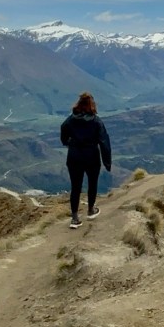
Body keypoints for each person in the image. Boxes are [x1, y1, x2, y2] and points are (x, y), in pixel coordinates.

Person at [60, 92, 112, 228]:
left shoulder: (71, 119)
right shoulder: (96, 121)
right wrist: (107, 162)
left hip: (74, 156)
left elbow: (63, 130)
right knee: (92, 183)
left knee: (75, 187)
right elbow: (104, 142)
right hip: (91, 155)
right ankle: (90, 210)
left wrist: (67, 142)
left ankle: (74, 218)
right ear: (92, 105)